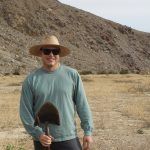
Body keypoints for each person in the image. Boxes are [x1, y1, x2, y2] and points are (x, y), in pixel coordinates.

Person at [20, 35, 93, 150]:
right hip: (43, 141)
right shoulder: (31, 80)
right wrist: (39, 134)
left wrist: (88, 132)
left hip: (69, 137)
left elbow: (82, 105)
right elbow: (25, 112)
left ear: (59, 54)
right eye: (47, 51)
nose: (51, 55)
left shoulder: (72, 75)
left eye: (55, 51)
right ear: (41, 53)